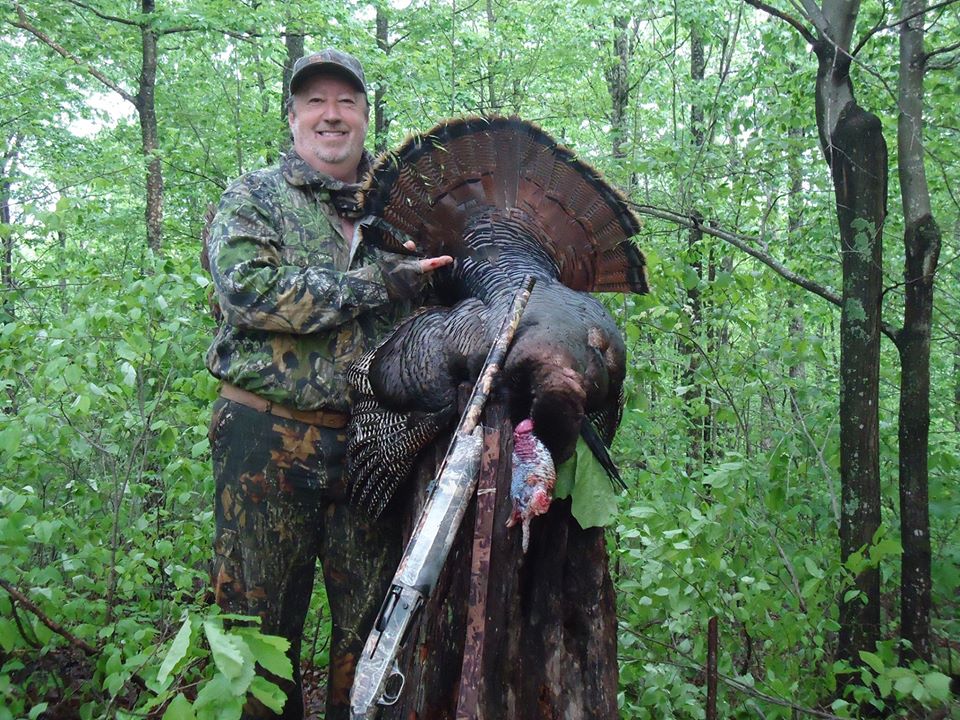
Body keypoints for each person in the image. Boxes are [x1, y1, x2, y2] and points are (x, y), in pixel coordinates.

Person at [204, 48, 452, 719]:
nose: (331, 115)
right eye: (315, 101)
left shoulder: (404, 213)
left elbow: (442, 319)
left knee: (373, 638)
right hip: (266, 436)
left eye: (346, 101)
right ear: (292, 117)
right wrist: (378, 283)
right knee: (254, 634)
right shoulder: (254, 198)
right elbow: (250, 296)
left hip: (376, 447)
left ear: (366, 117)